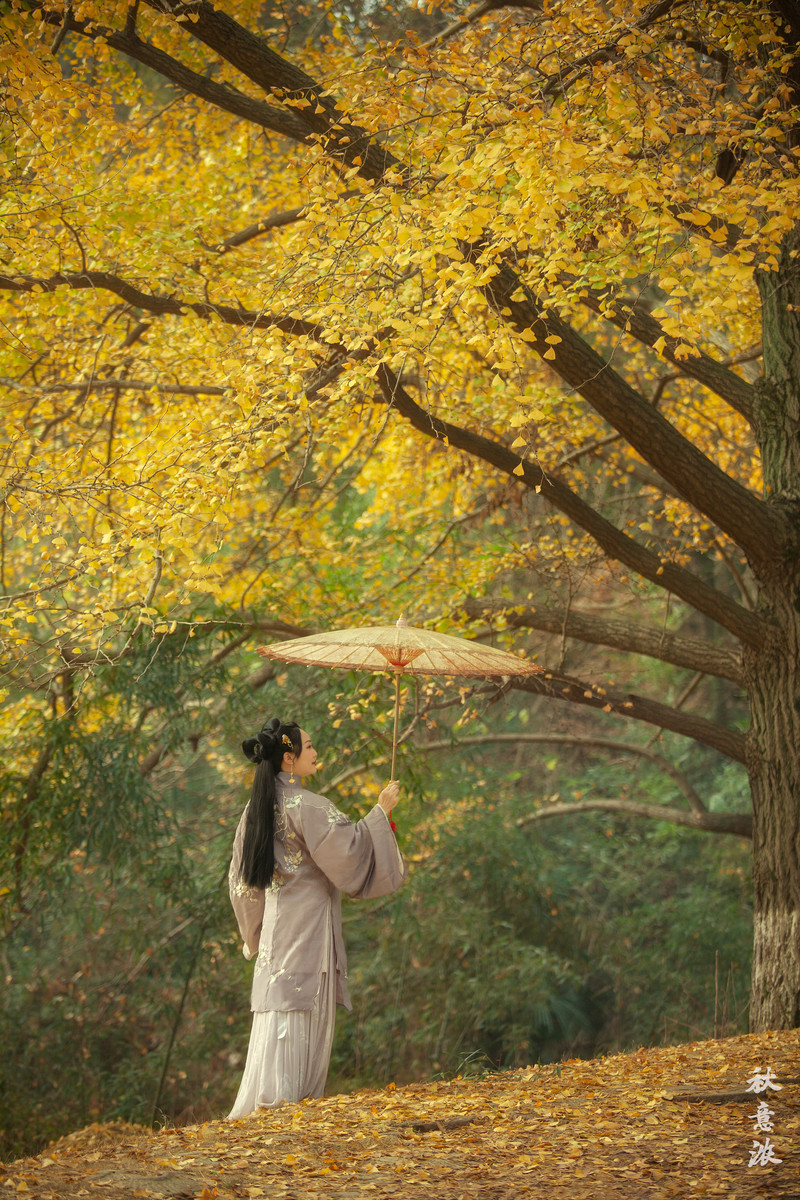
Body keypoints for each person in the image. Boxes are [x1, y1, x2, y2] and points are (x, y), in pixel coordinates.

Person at [227, 716, 406, 1118]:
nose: (315, 753)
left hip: (275, 930)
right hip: (308, 928)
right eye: (309, 747)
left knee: (280, 1006)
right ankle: (292, 1101)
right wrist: (381, 811)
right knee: (304, 1006)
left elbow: (240, 880)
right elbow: (350, 850)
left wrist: (252, 933)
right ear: (288, 758)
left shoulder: (253, 811)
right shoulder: (307, 806)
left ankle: (274, 1099)